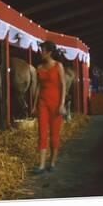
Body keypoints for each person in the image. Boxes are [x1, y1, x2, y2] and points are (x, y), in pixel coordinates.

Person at [30, 40, 66, 174]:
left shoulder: (58, 66)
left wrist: (62, 104)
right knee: (42, 133)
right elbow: (38, 87)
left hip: (56, 103)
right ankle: (41, 165)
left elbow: (63, 86)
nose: (41, 52)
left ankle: (52, 162)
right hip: (42, 103)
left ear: (49, 52)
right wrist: (34, 105)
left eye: (42, 50)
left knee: (55, 134)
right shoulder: (39, 67)